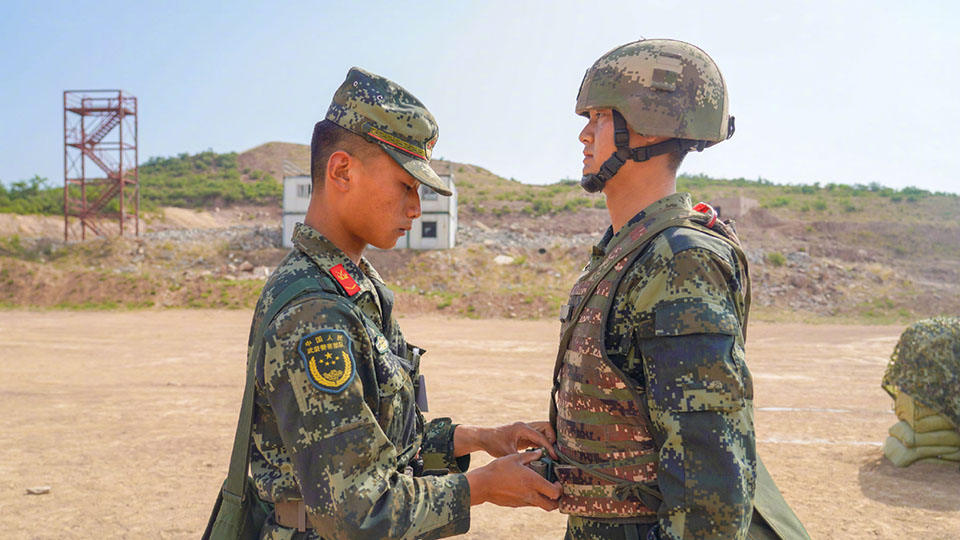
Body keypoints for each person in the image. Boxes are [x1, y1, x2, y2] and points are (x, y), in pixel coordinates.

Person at [249, 67, 562, 539]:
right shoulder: (315, 312)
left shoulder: (357, 288)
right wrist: (480, 487)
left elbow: (394, 449)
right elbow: (358, 511)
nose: (416, 208)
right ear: (341, 171)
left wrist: (481, 439)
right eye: (406, 186)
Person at [546, 39, 810, 539]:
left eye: (600, 117)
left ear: (645, 125)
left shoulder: (679, 260)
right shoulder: (632, 249)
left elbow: (710, 481)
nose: (584, 134)